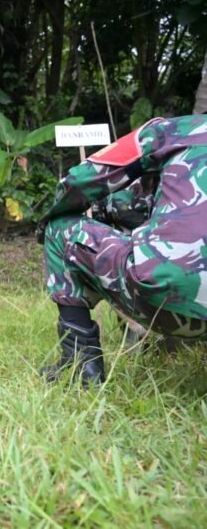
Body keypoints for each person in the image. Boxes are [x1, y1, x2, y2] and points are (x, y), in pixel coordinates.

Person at [37, 114, 207, 387]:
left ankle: (82, 366)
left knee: (59, 228)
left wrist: (49, 218)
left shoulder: (174, 129)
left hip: (166, 300)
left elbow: (80, 181)